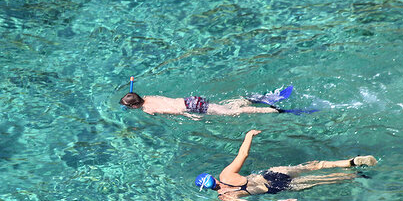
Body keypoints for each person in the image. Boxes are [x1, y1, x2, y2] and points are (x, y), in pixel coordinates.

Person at [195, 129, 376, 201]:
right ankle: (351, 161)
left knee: (324, 179)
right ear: (214, 178)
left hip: (275, 188)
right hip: (271, 174)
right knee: (316, 165)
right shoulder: (225, 174)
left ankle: (356, 175)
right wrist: (249, 135)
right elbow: (243, 155)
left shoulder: (226, 197)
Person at [121, 90, 286, 118]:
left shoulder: (148, 109)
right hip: (190, 100)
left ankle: (270, 110)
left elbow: (169, 110)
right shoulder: (149, 97)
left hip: (190, 107)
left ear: (135, 106)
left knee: (233, 112)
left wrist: (187, 115)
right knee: (224, 106)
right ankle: (252, 99)